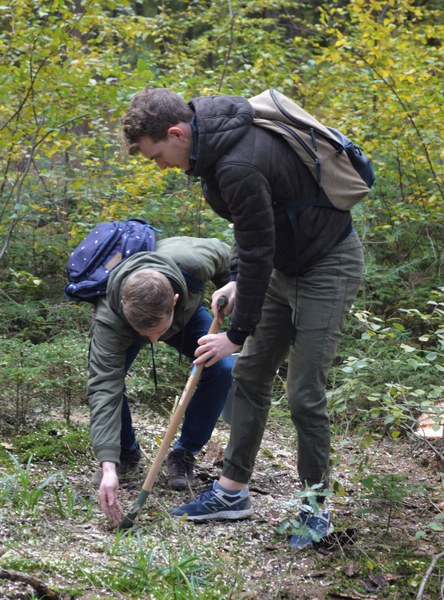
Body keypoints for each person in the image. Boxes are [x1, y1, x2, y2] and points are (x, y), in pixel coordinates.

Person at [120, 88, 365, 549]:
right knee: (250, 376)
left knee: (303, 392)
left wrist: (236, 334)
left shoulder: (235, 162)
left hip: (327, 263)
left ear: (176, 133)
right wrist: (234, 280)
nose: (161, 166)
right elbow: (250, 228)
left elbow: (257, 246)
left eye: (157, 156)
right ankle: (232, 491)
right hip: (279, 266)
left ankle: (314, 509)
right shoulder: (215, 149)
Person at [87, 235, 234, 527]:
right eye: (147, 334)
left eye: (157, 332)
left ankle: (183, 452)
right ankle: (125, 451)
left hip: (188, 318)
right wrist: (107, 464)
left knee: (222, 368)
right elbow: (105, 388)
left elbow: (235, 262)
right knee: (110, 384)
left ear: (174, 300)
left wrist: (231, 288)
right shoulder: (111, 321)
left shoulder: (194, 260)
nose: (154, 341)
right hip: (127, 327)